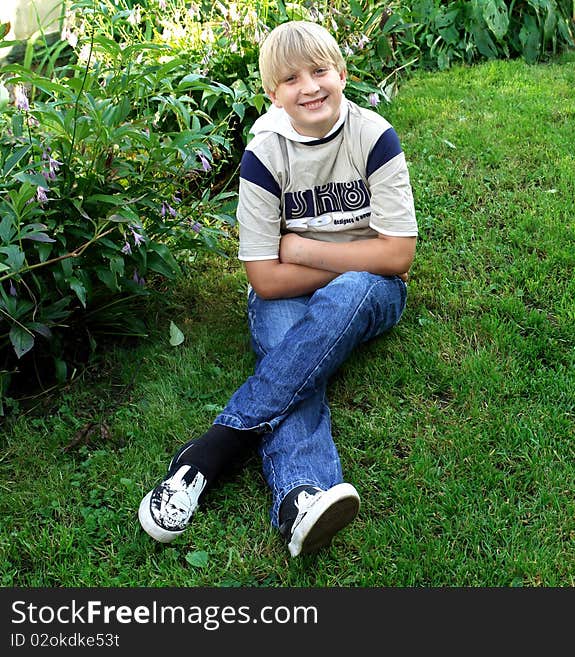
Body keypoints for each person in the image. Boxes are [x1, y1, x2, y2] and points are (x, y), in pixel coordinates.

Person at [138, 20, 417, 558]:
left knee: (350, 293)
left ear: (342, 73)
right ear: (273, 94)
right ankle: (300, 500)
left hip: (372, 290)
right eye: (291, 79)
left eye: (319, 71)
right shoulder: (265, 153)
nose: (309, 86)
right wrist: (357, 258)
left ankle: (213, 449)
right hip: (285, 290)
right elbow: (264, 278)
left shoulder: (374, 137)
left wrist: (308, 250)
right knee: (300, 366)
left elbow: (398, 256)